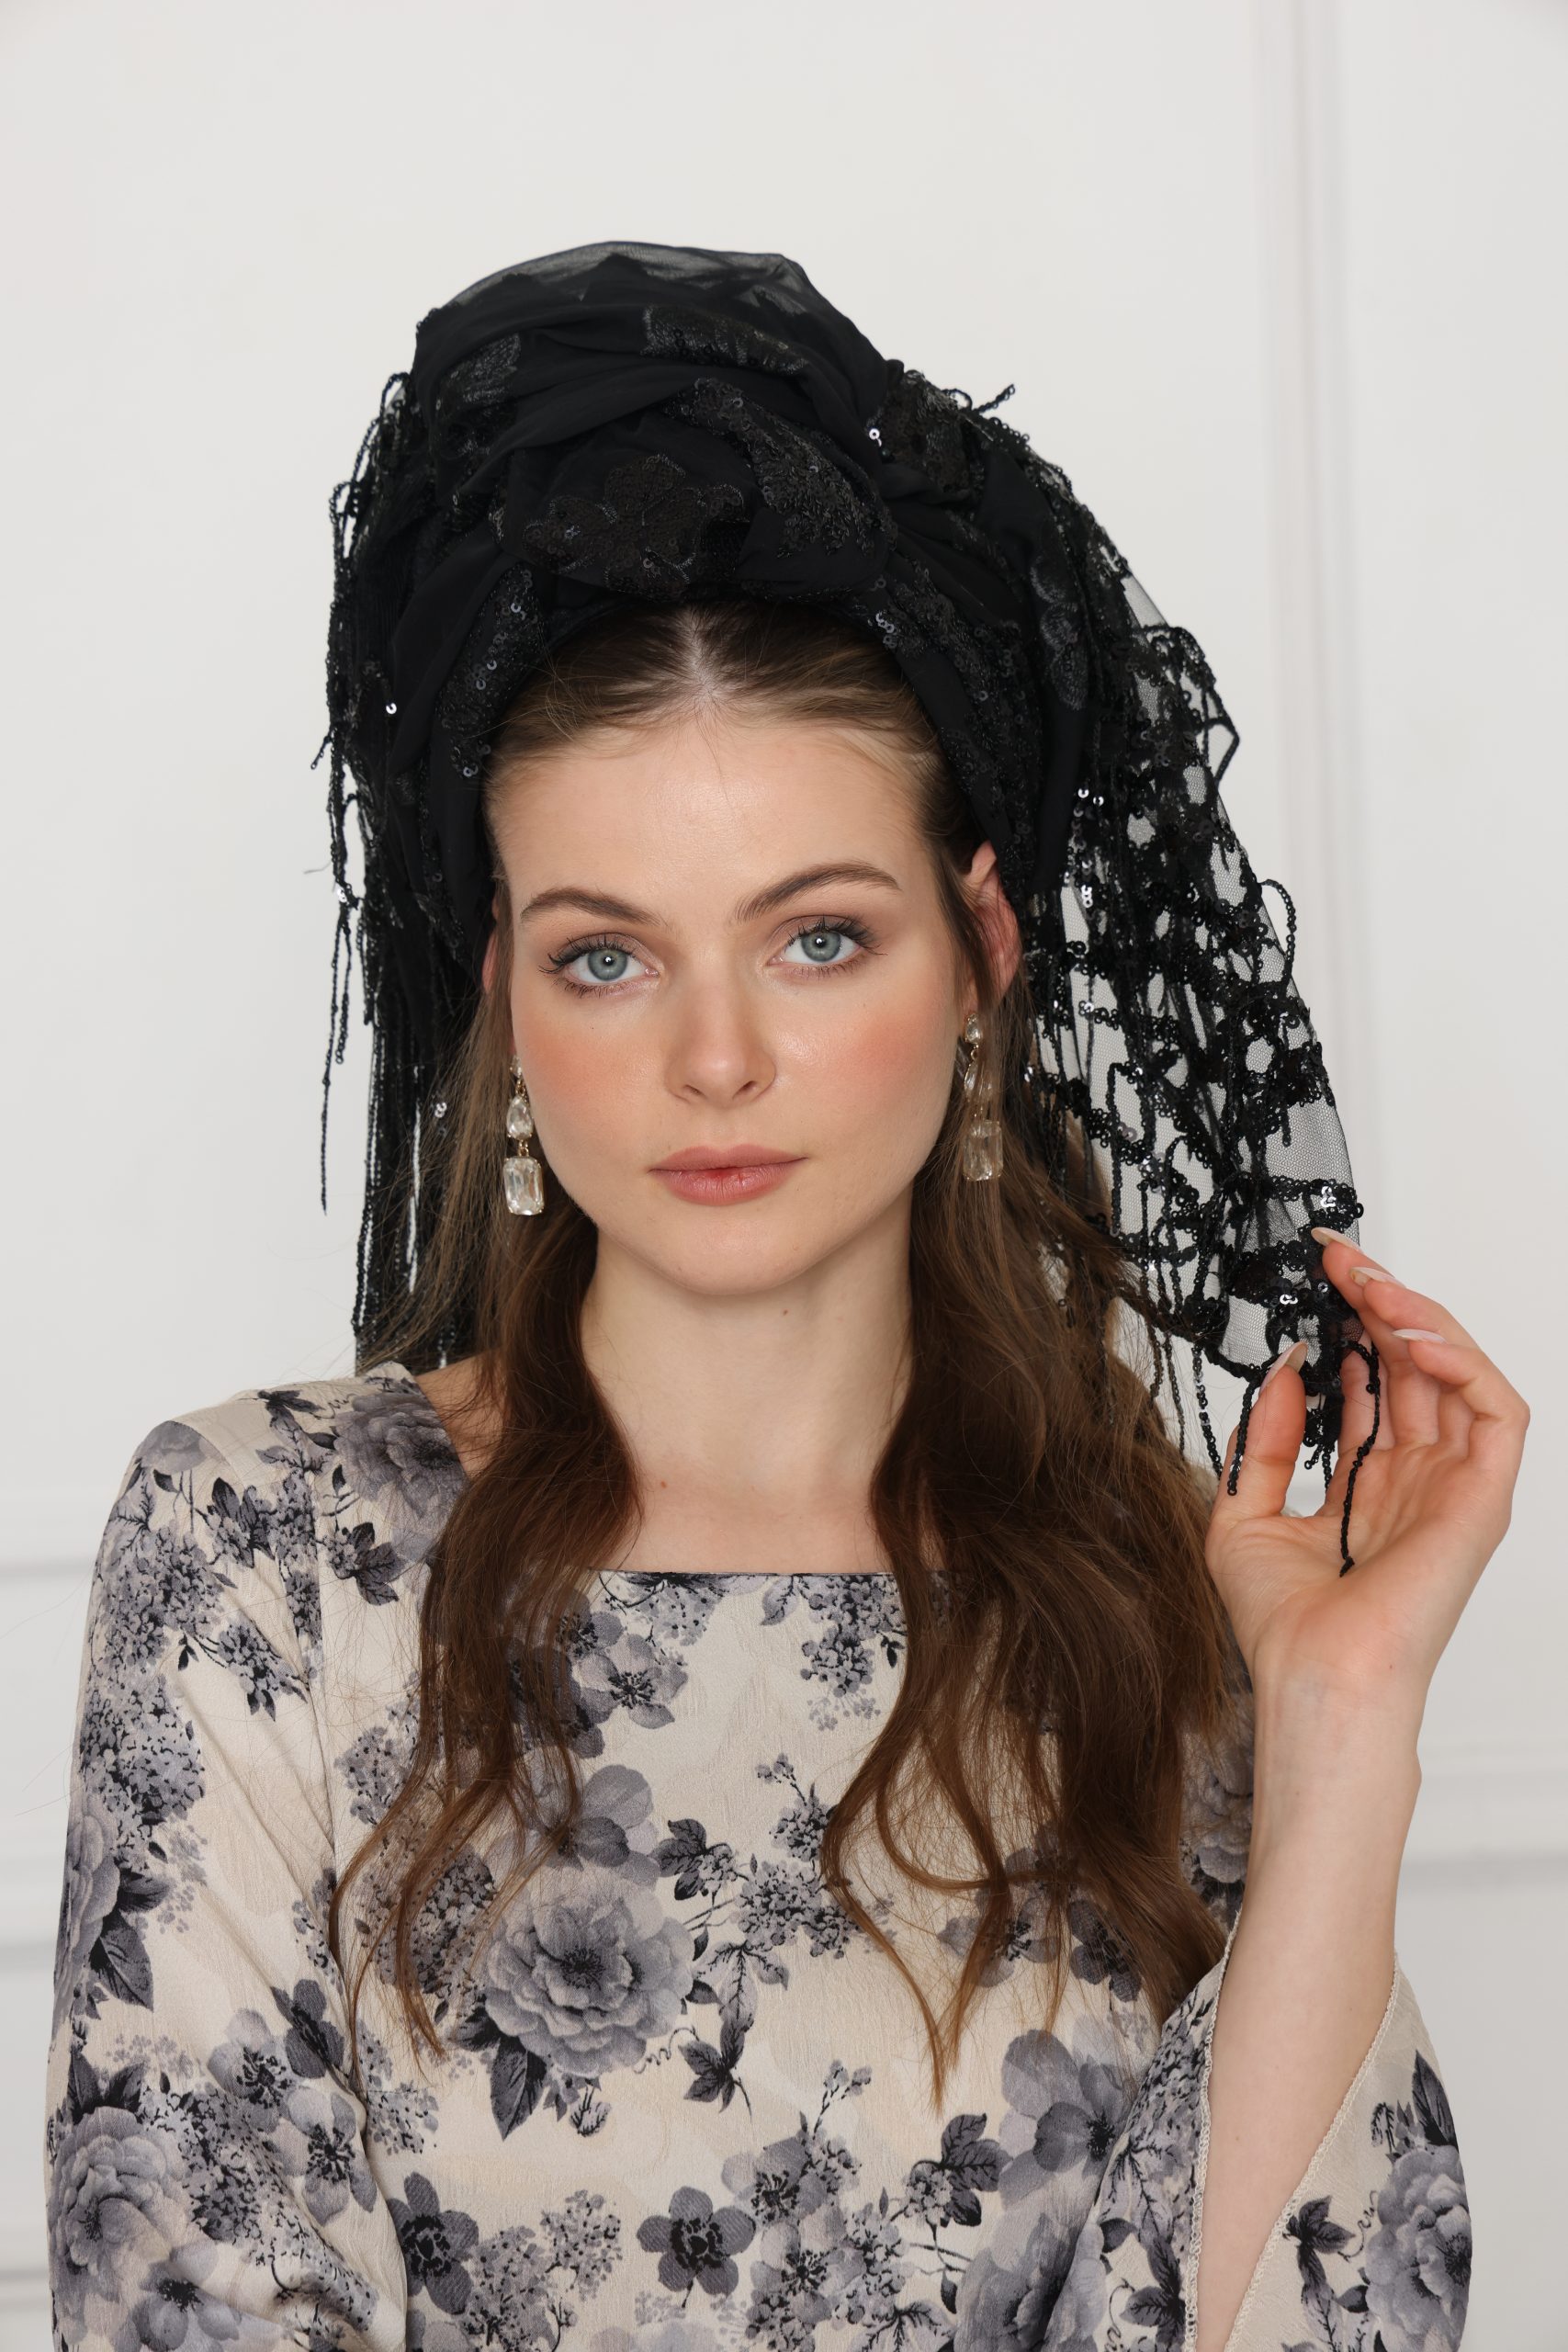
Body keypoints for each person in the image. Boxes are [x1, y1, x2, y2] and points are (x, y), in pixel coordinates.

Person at [44, 244, 1520, 2352]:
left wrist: (1345, 1715)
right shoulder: (264, 1552)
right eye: (606, 955)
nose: (713, 1057)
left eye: (816, 936)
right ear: (505, 997)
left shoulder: (1162, 1603)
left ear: (978, 953)